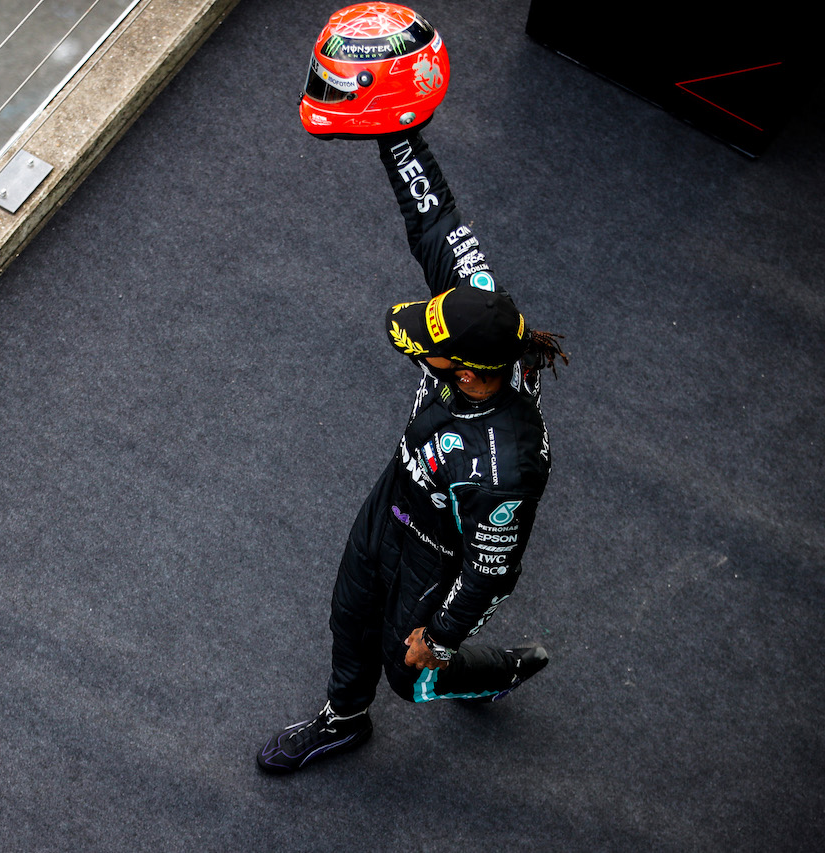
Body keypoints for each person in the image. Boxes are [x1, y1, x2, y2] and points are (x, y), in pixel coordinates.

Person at [257, 3, 568, 775]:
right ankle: (342, 719)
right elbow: (437, 222)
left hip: (440, 554)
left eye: (428, 349)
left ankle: (499, 669)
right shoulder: (479, 306)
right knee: (349, 614)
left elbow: (495, 566)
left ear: (467, 371)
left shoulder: (506, 465)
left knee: (412, 671)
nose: (416, 347)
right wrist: (393, 124)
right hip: (391, 504)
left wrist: (446, 633)